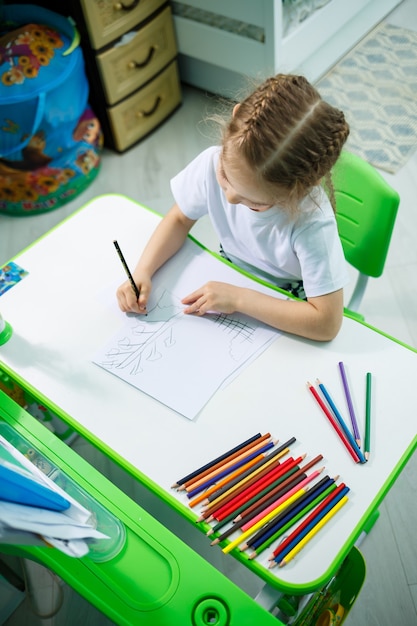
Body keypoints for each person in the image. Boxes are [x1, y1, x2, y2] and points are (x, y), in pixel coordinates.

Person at [116, 74, 350, 341]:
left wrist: (240, 299)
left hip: (288, 297)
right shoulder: (211, 161)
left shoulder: (311, 221)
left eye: (255, 202)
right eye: (225, 176)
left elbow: (326, 323)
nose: (229, 198)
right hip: (230, 272)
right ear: (234, 118)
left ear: (300, 190)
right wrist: (143, 271)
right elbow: (180, 219)